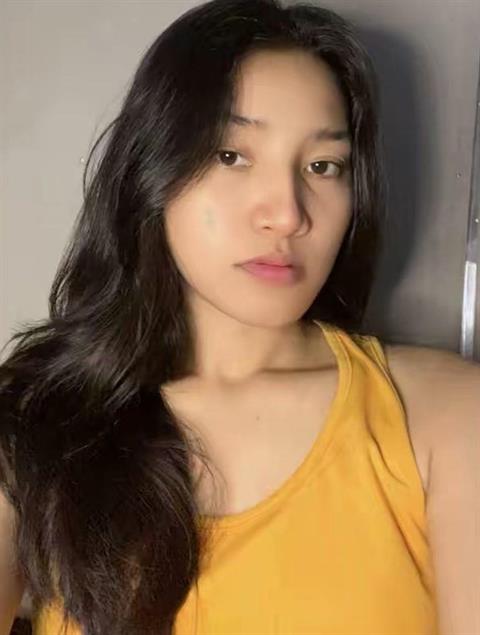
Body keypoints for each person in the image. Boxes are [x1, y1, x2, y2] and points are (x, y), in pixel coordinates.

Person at [1, 0, 479, 633]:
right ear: (153, 171)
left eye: (323, 166)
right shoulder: (40, 414)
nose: (287, 214)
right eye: (231, 155)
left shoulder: (446, 416)